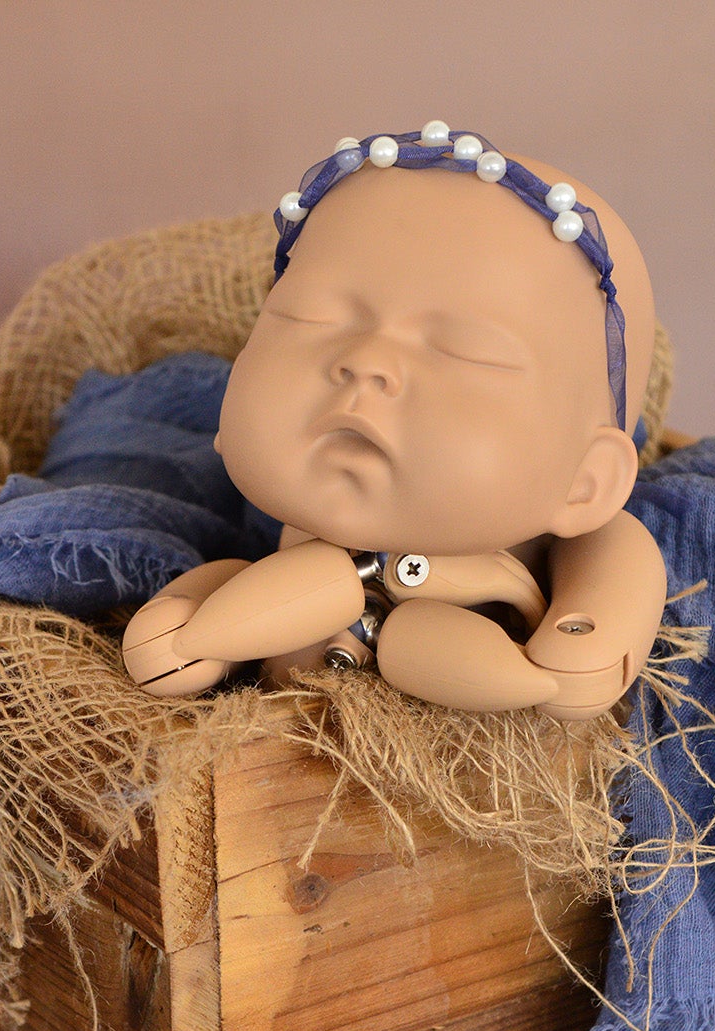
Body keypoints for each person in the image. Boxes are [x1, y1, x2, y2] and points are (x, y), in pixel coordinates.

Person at [123, 125, 666, 721]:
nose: (366, 363)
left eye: (464, 352)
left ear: (586, 481)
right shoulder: (261, 566)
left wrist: (593, 634)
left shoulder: (576, 542)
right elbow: (234, 581)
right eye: (309, 317)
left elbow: (619, 558)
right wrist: (189, 618)